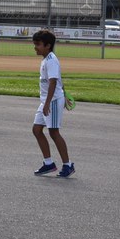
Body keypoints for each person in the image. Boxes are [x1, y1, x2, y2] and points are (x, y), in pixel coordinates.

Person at [30, 29, 74, 178]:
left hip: (52, 101)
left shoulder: (51, 60)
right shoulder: (46, 59)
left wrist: (48, 103)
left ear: (48, 45)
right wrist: (65, 94)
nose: (35, 47)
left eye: (38, 44)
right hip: (47, 100)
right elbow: (59, 79)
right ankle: (48, 163)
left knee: (54, 132)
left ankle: (68, 165)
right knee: (36, 130)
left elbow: (54, 82)